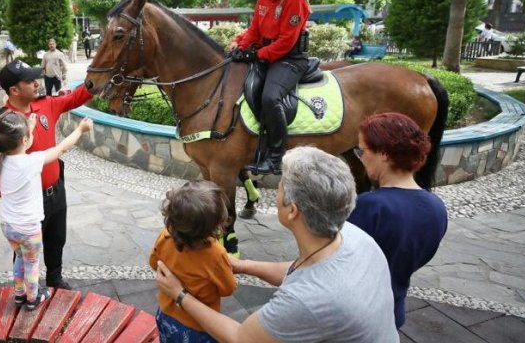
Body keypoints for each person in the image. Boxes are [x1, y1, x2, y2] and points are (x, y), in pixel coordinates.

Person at [155, 146, 398, 343]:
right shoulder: (353, 236)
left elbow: (240, 337)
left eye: (280, 187)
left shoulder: (304, 301)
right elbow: (302, 272)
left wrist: (179, 294)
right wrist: (242, 265)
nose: (278, 191)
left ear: (292, 210)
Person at [0, 60, 94, 290]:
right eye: (29, 81)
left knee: (57, 239)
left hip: (56, 189)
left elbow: (75, 97)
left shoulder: (46, 105)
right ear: (14, 90)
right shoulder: (2, 124)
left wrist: (98, 80)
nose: (37, 83)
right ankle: (25, 292)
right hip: (28, 203)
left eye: (36, 78)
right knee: (26, 251)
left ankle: (55, 278)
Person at [0, 111, 93, 309]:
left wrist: (29, 128)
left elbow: (18, 144)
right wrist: (79, 129)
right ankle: (33, 298)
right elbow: (61, 149)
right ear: (25, 140)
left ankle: (19, 293)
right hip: (28, 229)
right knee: (32, 263)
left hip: (8, 226)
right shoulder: (31, 162)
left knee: (20, 259)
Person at [348, 112, 448, 328]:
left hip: (355, 317)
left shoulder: (370, 206)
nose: (360, 158)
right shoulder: (437, 208)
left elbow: (333, 263)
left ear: (383, 153)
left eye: (362, 150)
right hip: (393, 313)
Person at [227, 0, 311, 175]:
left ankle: (275, 158)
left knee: (270, 97)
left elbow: (286, 41)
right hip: (266, 56)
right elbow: (254, 30)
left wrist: (257, 54)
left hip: (289, 59)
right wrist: (240, 46)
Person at [149, 181, 236, 342]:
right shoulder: (216, 255)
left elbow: (154, 263)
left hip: (166, 314)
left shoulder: (164, 236)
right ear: (216, 225)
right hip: (199, 326)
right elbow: (228, 289)